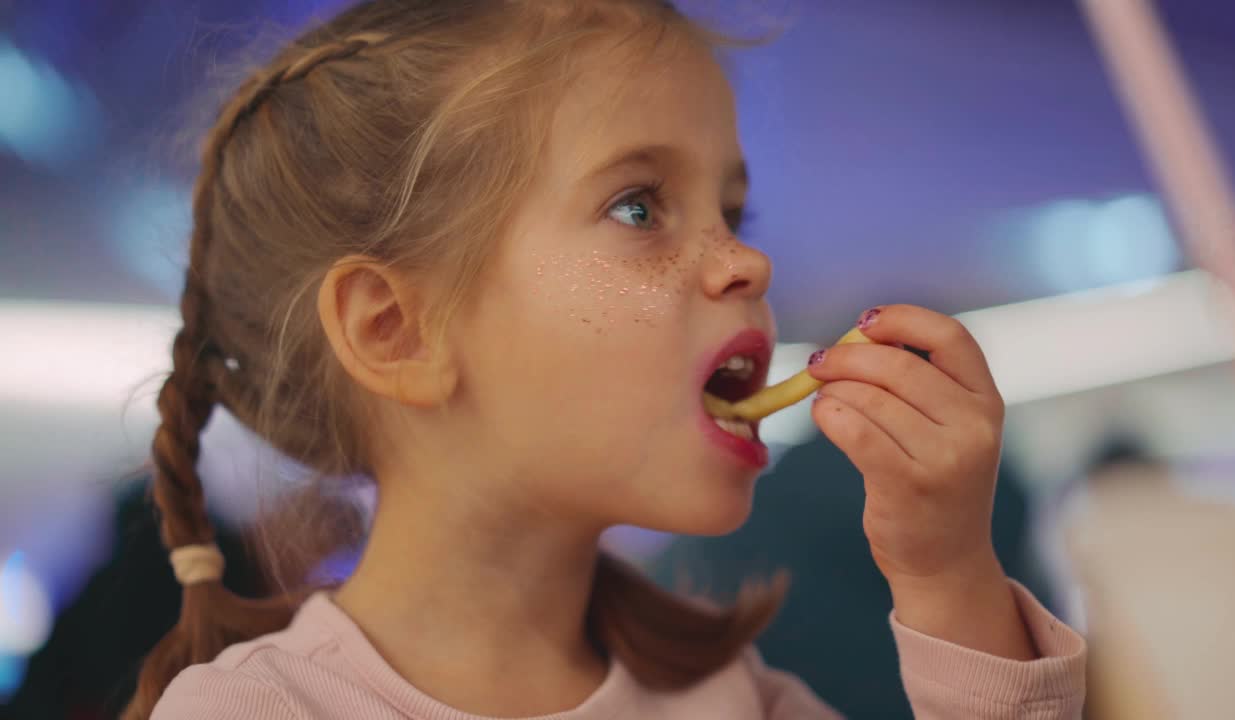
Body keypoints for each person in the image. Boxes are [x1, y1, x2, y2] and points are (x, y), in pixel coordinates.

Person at [135, 1, 1086, 718]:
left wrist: (947, 579)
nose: (749, 259)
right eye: (638, 206)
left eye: (733, 211)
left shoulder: (736, 701)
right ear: (398, 332)